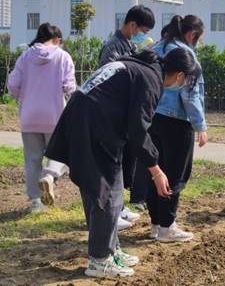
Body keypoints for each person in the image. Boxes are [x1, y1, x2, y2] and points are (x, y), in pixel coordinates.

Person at [45, 48, 199, 278]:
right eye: (186, 79)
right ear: (179, 75)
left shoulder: (140, 67)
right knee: (106, 192)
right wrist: (156, 170)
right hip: (94, 127)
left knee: (104, 190)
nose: (184, 83)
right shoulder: (150, 79)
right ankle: (99, 260)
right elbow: (138, 131)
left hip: (84, 120)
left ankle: (110, 249)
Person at [147, 15, 207, 243]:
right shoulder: (185, 54)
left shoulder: (156, 47)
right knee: (174, 174)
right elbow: (191, 94)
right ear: (192, 35)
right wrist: (200, 125)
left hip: (152, 118)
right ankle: (167, 226)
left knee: (155, 171)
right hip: (177, 121)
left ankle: (155, 224)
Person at [7, 23, 76, 213]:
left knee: (32, 159)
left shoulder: (25, 56)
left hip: (29, 115)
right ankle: (50, 176)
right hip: (54, 115)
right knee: (61, 152)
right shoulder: (63, 57)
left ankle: (36, 202)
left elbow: (12, 85)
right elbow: (70, 87)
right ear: (57, 40)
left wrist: (22, 95)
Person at [99, 4, 156, 229]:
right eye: (143, 30)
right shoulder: (113, 47)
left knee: (123, 163)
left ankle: (120, 206)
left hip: (124, 114)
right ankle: (112, 211)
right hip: (112, 112)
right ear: (132, 25)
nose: (144, 36)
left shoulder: (129, 45)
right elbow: (108, 76)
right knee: (113, 164)